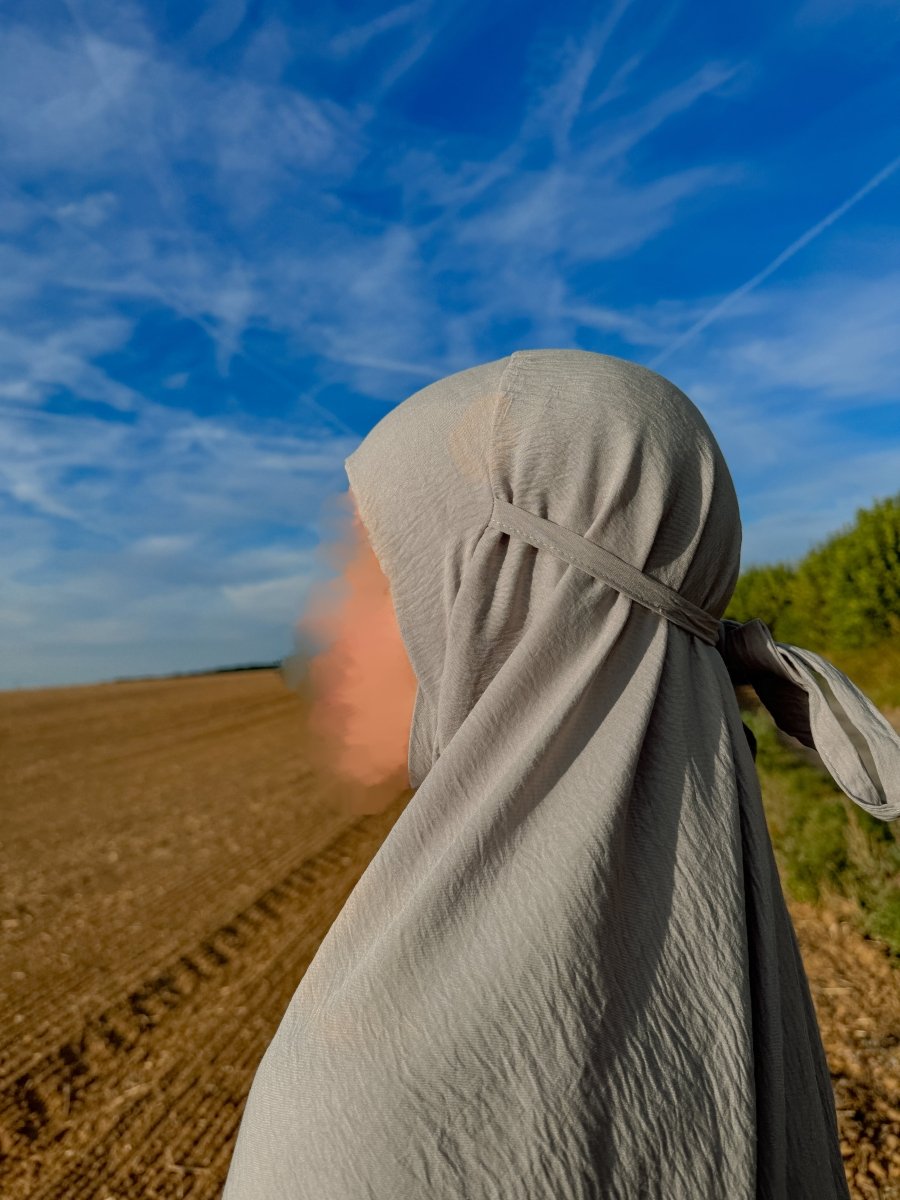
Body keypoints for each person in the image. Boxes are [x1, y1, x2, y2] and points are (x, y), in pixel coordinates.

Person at [222, 349, 900, 1200]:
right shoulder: (742, 947)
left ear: (515, 586)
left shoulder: (365, 1110)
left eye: (369, 562)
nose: (317, 631)